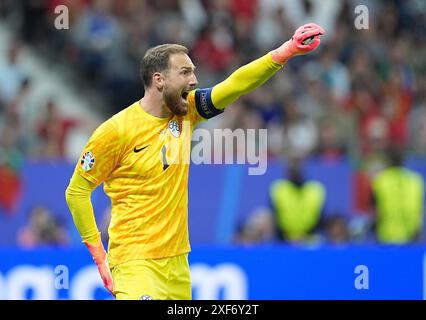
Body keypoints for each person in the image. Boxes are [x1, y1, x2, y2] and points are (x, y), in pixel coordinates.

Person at [65, 23, 325, 300]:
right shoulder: (115, 131)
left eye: (194, 72)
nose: (194, 80)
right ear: (159, 80)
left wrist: (285, 51)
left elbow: (234, 85)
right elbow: (77, 192)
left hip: (178, 265)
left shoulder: (186, 112)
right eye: (185, 72)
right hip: (135, 261)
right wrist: (98, 254)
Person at [371, 148, 424, 244]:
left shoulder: (381, 180)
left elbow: (377, 211)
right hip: (411, 237)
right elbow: (419, 211)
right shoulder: (416, 180)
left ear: (388, 161)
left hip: (387, 237)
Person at [269, 160, 326, 243]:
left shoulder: (316, 189)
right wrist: (287, 237)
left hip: (311, 239)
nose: (295, 171)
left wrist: (305, 236)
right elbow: (274, 215)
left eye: (297, 166)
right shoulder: (278, 188)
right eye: (292, 168)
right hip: (283, 240)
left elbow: (321, 217)